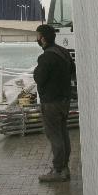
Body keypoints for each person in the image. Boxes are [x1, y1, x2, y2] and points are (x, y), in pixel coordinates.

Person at [33, 23, 75, 182]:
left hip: (51, 103)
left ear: (43, 38)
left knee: (54, 135)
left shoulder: (46, 57)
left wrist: (37, 71)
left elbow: (39, 78)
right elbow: (73, 71)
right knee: (63, 134)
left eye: (37, 36)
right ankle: (64, 167)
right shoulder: (63, 52)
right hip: (64, 100)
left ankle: (58, 170)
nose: (36, 39)